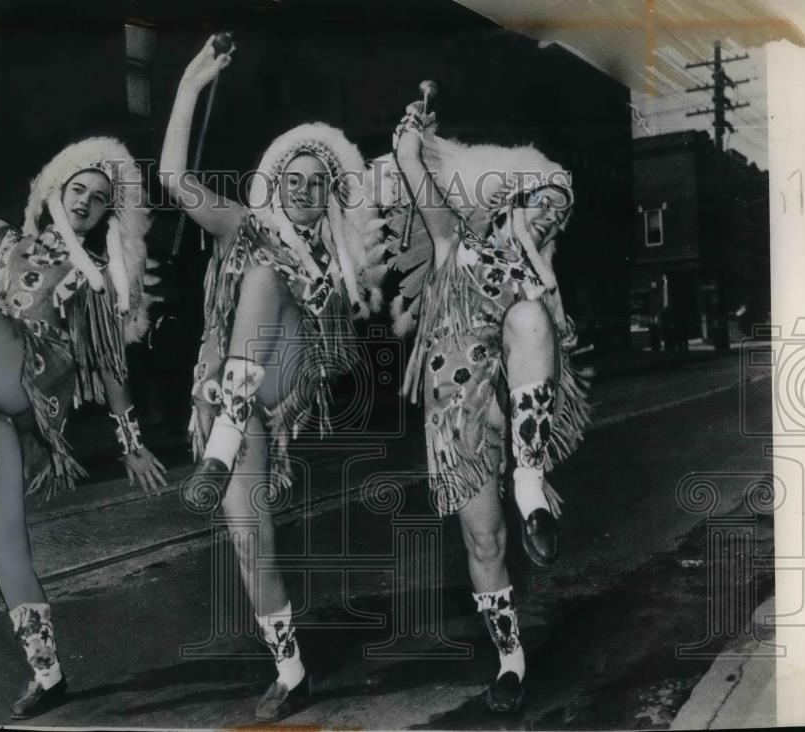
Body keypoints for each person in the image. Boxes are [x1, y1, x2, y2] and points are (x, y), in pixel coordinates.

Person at [0, 76, 167, 719]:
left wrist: (130, 442)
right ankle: (49, 674)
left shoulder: (95, 282)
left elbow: (110, 368)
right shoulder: (2, 238)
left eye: (99, 199)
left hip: (26, 377)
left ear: (109, 213)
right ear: (55, 190)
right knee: (7, 554)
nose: (85, 202)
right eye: (78, 189)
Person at [159, 37, 384, 723]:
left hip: (278, 386)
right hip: (230, 395)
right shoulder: (244, 225)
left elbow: (338, 360)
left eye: (320, 184)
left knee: (265, 272)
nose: (309, 193)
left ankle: (221, 449)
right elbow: (172, 178)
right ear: (277, 183)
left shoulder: (338, 264)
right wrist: (191, 84)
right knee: (249, 539)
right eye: (297, 182)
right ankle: (292, 672)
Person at [380, 100, 590, 713]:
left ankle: (530, 483)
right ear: (513, 200)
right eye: (544, 203)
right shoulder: (456, 242)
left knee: (528, 317)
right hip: (457, 421)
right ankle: (510, 660)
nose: (552, 217)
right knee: (484, 544)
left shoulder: (539, 287)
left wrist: (543, 273)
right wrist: (411, 136)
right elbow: (414, 172)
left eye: (561, 215)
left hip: (513, 401)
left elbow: (551, 348)